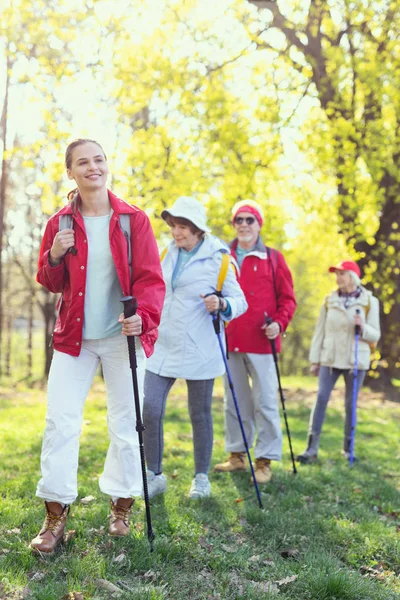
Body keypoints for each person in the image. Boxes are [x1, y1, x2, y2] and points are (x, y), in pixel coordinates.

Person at [30, 138, 165, 553]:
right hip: (74, 339)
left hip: (122, 337)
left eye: (99, 160)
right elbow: (49, 280)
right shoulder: (60, 224)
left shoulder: (132, 220)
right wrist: (54, 255)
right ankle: (55, 515)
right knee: (60, 422)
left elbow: (150, 279)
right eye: (83, 163)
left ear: (107, 166)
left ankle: (121, 506)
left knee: (127, 424)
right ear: (70, 172)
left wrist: (143, 315)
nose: (93, 167)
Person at [142, 196, 248, 499]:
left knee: (199, 413)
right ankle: (154, 474)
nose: (177, 232)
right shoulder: (165, 252)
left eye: (184, 227)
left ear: (199, 229)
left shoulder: (220, 258)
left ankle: (201, 478)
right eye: (174, 225)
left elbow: (240, 300)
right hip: (163, 344)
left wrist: (222, 303)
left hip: (200, 347)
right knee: (150, 407)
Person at [214, 200, 296, 484]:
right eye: (239, 220)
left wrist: (279, 323)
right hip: (230, 340)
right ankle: (237, 455)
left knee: (265, 402)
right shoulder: (223, 257)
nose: (244, 225)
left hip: (263, 342)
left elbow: (288, 300)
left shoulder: (273, 258)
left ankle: (264, 459)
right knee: (234, 402)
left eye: (250, 220)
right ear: (234, 225)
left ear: (259, 225)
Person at [297, 260, 380, 463]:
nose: (338, 278)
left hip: (355, 361)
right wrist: (315, 360)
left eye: (341, 273)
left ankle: (348, 449)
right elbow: (319, 332)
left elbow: (375, 335)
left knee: (350, 405)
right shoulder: (329, 301)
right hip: (330, 359)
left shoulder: (370, 301)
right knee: (321, 400)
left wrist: (363, 328)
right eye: (336, 274)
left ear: (352, 276)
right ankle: (311, 449)